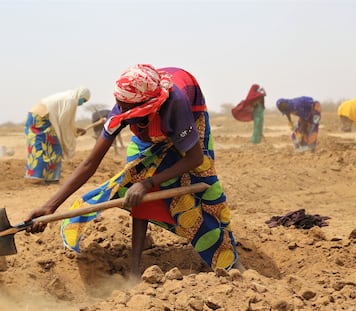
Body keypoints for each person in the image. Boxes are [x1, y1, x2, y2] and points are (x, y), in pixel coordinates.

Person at [25, 64, 242, 279]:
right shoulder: (124, 105)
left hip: (188, 117)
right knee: (136, 176)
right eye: (119, 107)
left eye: (127, 110)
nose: (121, 111)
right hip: (150, 124)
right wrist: (49, 207)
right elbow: (89, 164)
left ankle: (229, 260)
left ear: (144, 107)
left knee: (205, 188)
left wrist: (149, 183)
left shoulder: (176, 105)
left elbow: (195, 158)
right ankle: (135, 269)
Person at [24, 87, 91, 183]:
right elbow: (64, 123)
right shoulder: (71, 100)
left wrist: (74, 130)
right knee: (54, 148)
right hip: (43, 118)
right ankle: (49, 179)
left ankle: (35, 177)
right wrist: (73, 132)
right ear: (80, 95)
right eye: (83, 100)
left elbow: (64, 121)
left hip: (35, 116)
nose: (82, 103)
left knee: (39, 147)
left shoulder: (67, 97)